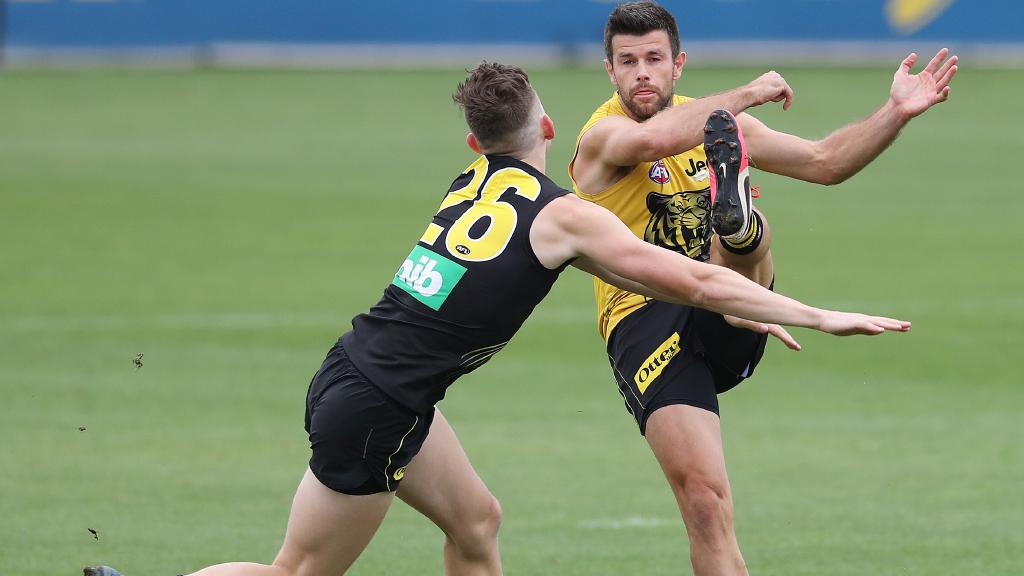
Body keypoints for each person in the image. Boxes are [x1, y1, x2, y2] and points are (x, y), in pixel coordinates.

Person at [86, 61, 910, 576]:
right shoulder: (561, 217)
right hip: (380, 407)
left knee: (477, 525)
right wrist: (814, 312)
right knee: (297, 571)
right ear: (549, 130)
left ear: (476, 144)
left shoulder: (466, 182)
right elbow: (692, 283)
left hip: (363, 377)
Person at [568, 2, 957, 575]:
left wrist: (895, 112)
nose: (642, 73)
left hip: (730, 300)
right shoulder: (604, 136)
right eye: (628, 62)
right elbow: (651, 145)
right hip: (643, 319)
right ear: (609, 71)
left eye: (654, 59)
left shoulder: (719, 126)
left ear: (679, 65)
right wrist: (749, 91)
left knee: (743, 242)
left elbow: (825, 162)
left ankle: (739, 223)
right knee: (705, 502)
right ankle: (740, 222)